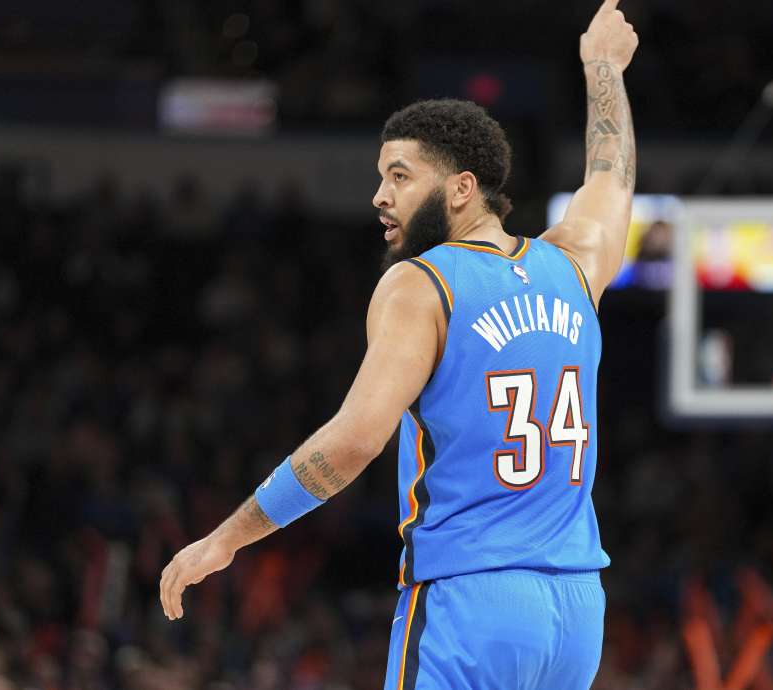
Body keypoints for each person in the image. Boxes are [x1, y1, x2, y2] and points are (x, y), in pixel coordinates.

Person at [158, 1, 637, 687]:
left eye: (401, 176)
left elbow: (355, 442)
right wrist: (603, 69)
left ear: (462, 189)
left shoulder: (423, 282)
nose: (380, 196)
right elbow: (611, 176)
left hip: (470, 602)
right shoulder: (575, 266)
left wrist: (228, 538)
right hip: (576, 613)